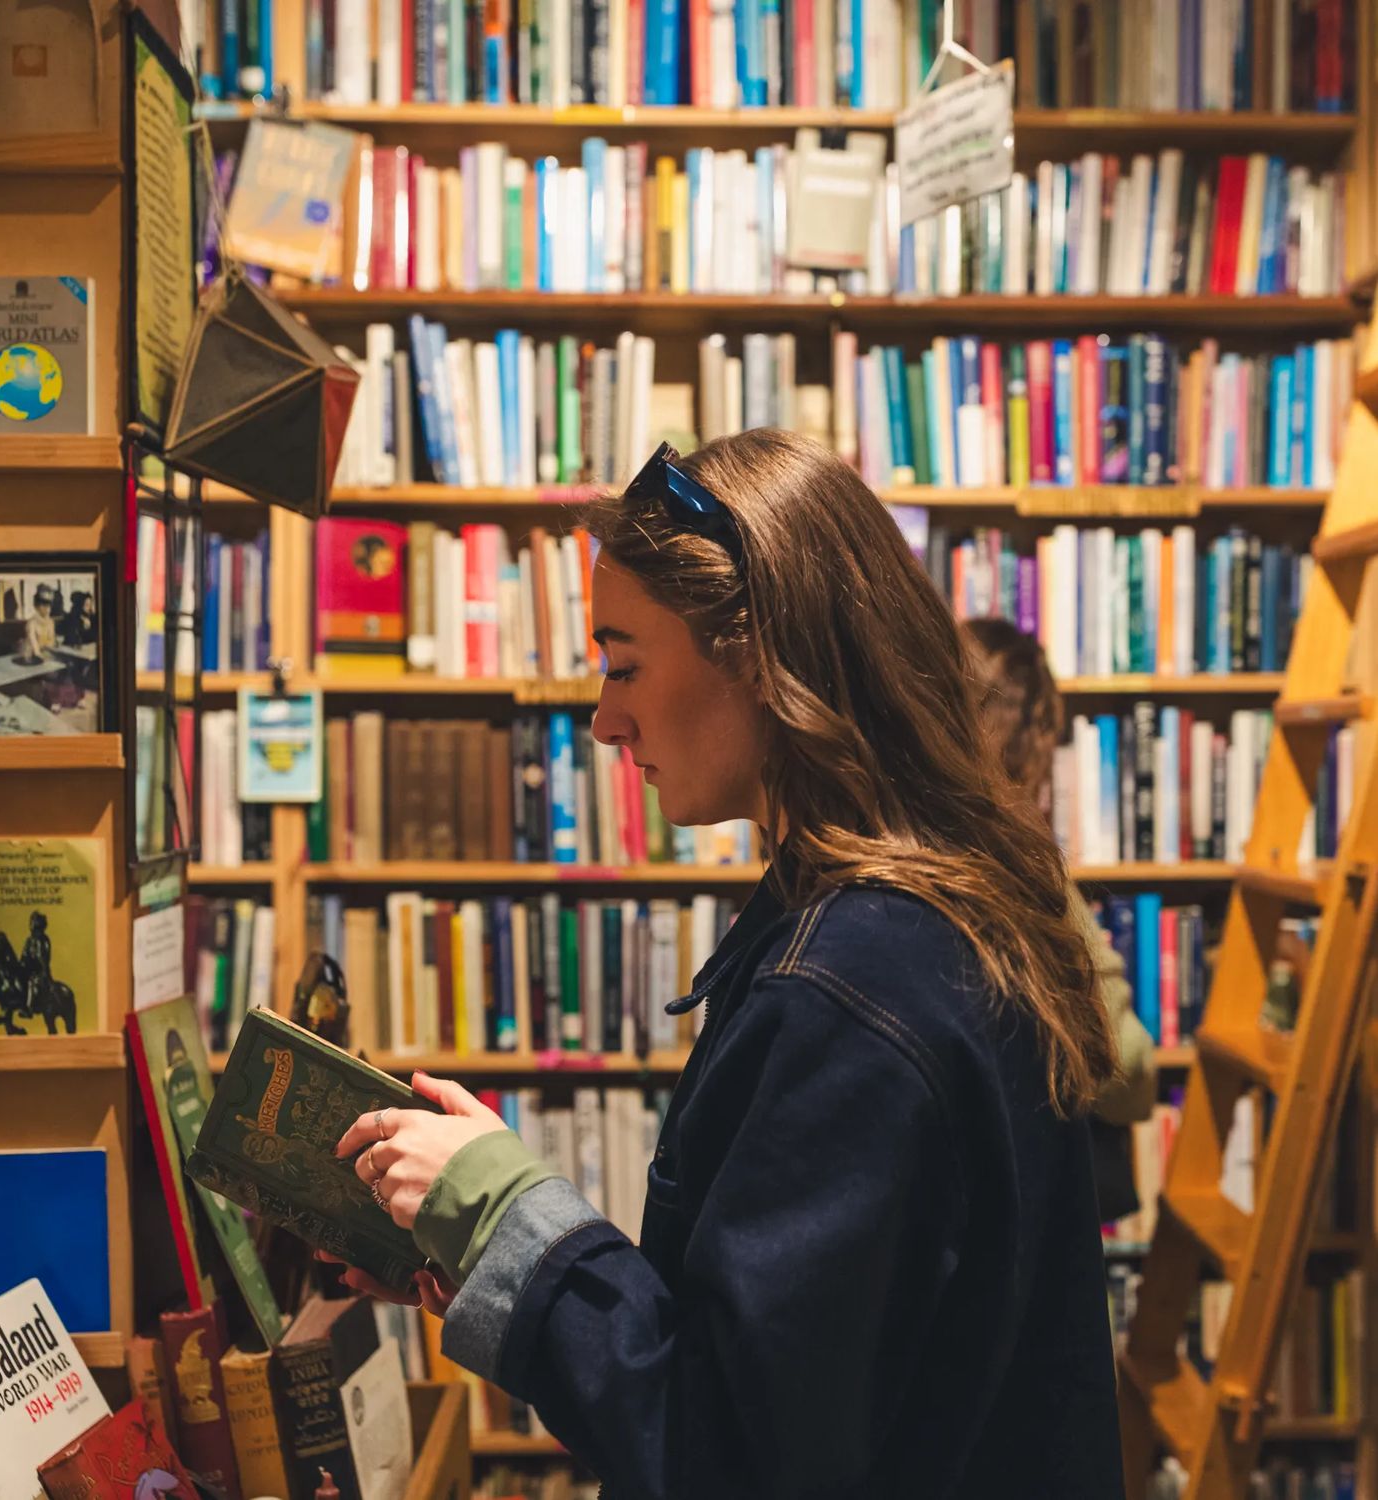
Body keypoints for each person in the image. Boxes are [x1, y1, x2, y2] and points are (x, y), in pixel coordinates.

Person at [330, 431, 1127, 1499]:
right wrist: (502, 1264)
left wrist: (506, 1216)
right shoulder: (934, 906)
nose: (606, 719)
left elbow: (728, 1452)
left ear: (757, 655)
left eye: (623, 664)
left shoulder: (855, 987)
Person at [963, 617, 1157, 1224]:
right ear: (1036, 741)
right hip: (1032, 1216)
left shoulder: (902, 847)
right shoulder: (1027, 875)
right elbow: (1128, 1071)